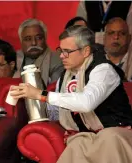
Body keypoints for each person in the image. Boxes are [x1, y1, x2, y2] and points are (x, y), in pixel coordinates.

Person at [11, 25, 132, 163]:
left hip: (118, 133)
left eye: (67, 51)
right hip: (87, 135)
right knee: (77, 143)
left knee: (108, 137)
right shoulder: (66, 76)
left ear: (86, 51)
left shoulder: (103, 70)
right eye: (61, 50)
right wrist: (29, 99)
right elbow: (57, 112)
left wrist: (42, 94)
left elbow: (86, 103)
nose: (62, 56)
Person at [16, 18, 64, 86]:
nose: (33, 43)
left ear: (45, 39)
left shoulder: (57, 61)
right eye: (28, 39)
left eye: (38, 38)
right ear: (21, 41)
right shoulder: (14, 59)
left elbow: (53, 91)